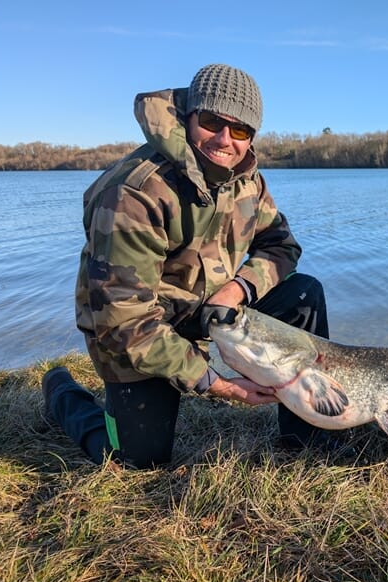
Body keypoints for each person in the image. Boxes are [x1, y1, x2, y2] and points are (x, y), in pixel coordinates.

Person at [42, 64, 331, 469]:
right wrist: (217, 383)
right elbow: (125, 322)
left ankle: (307, 438)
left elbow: (281, 246)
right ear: (189, 116)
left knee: (304, 293)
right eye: (212, 121)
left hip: (212, 308)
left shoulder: (248, 180)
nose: (224, 140)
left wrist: (238, 289)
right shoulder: (133, 191)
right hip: (138, 328)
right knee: (133, 460)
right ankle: (60, 390)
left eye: (241, 130)